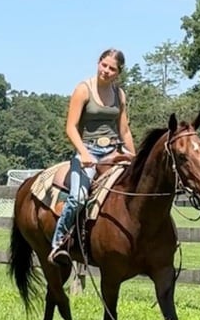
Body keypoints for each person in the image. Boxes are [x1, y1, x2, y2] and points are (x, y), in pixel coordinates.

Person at [48, 48, 136, 265]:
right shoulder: (83, 90)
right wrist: (84, 153)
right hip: (87, 150)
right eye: (103, 65)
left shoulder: (120, 95)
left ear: (118, 72)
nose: (106, 71)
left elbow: (124, 130)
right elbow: (71, 127)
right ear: (98, 63)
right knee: (78, 197)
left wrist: (133, 155)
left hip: (114, 150)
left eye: (112, 68)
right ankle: (58, 242)